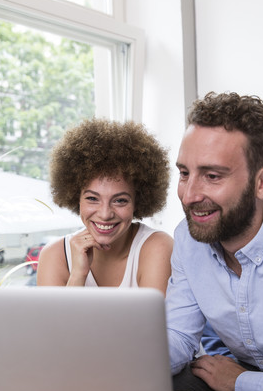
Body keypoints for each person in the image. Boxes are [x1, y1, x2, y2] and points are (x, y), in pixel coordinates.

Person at [166, 91, 263, 391]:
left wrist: (240, 384)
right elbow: (178, 334)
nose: (189, 195)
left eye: (212, 176)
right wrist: (127, 362)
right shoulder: (188, 238)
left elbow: (237, 382)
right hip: (236, 384)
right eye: (185, 173)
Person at [37, 118, 173, 294]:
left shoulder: (157, 247)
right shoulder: (55, 256)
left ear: (137, 201)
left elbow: (151, 322)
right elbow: (53, 323)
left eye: (120, 200)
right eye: (93, 198)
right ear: (75, 197)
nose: (105, 214)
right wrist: (78, 274)